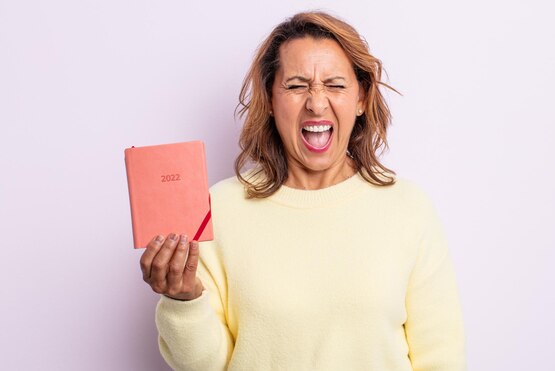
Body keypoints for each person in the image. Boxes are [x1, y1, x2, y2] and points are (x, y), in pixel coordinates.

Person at [139, 11, 465, 371]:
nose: (316, 102)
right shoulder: (218, 208)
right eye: (296, 86)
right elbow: (206, 365)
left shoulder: (409, 208)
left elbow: (442, 359)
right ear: (270, 99)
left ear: (361, 98)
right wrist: (183, 300)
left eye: (335, 85)